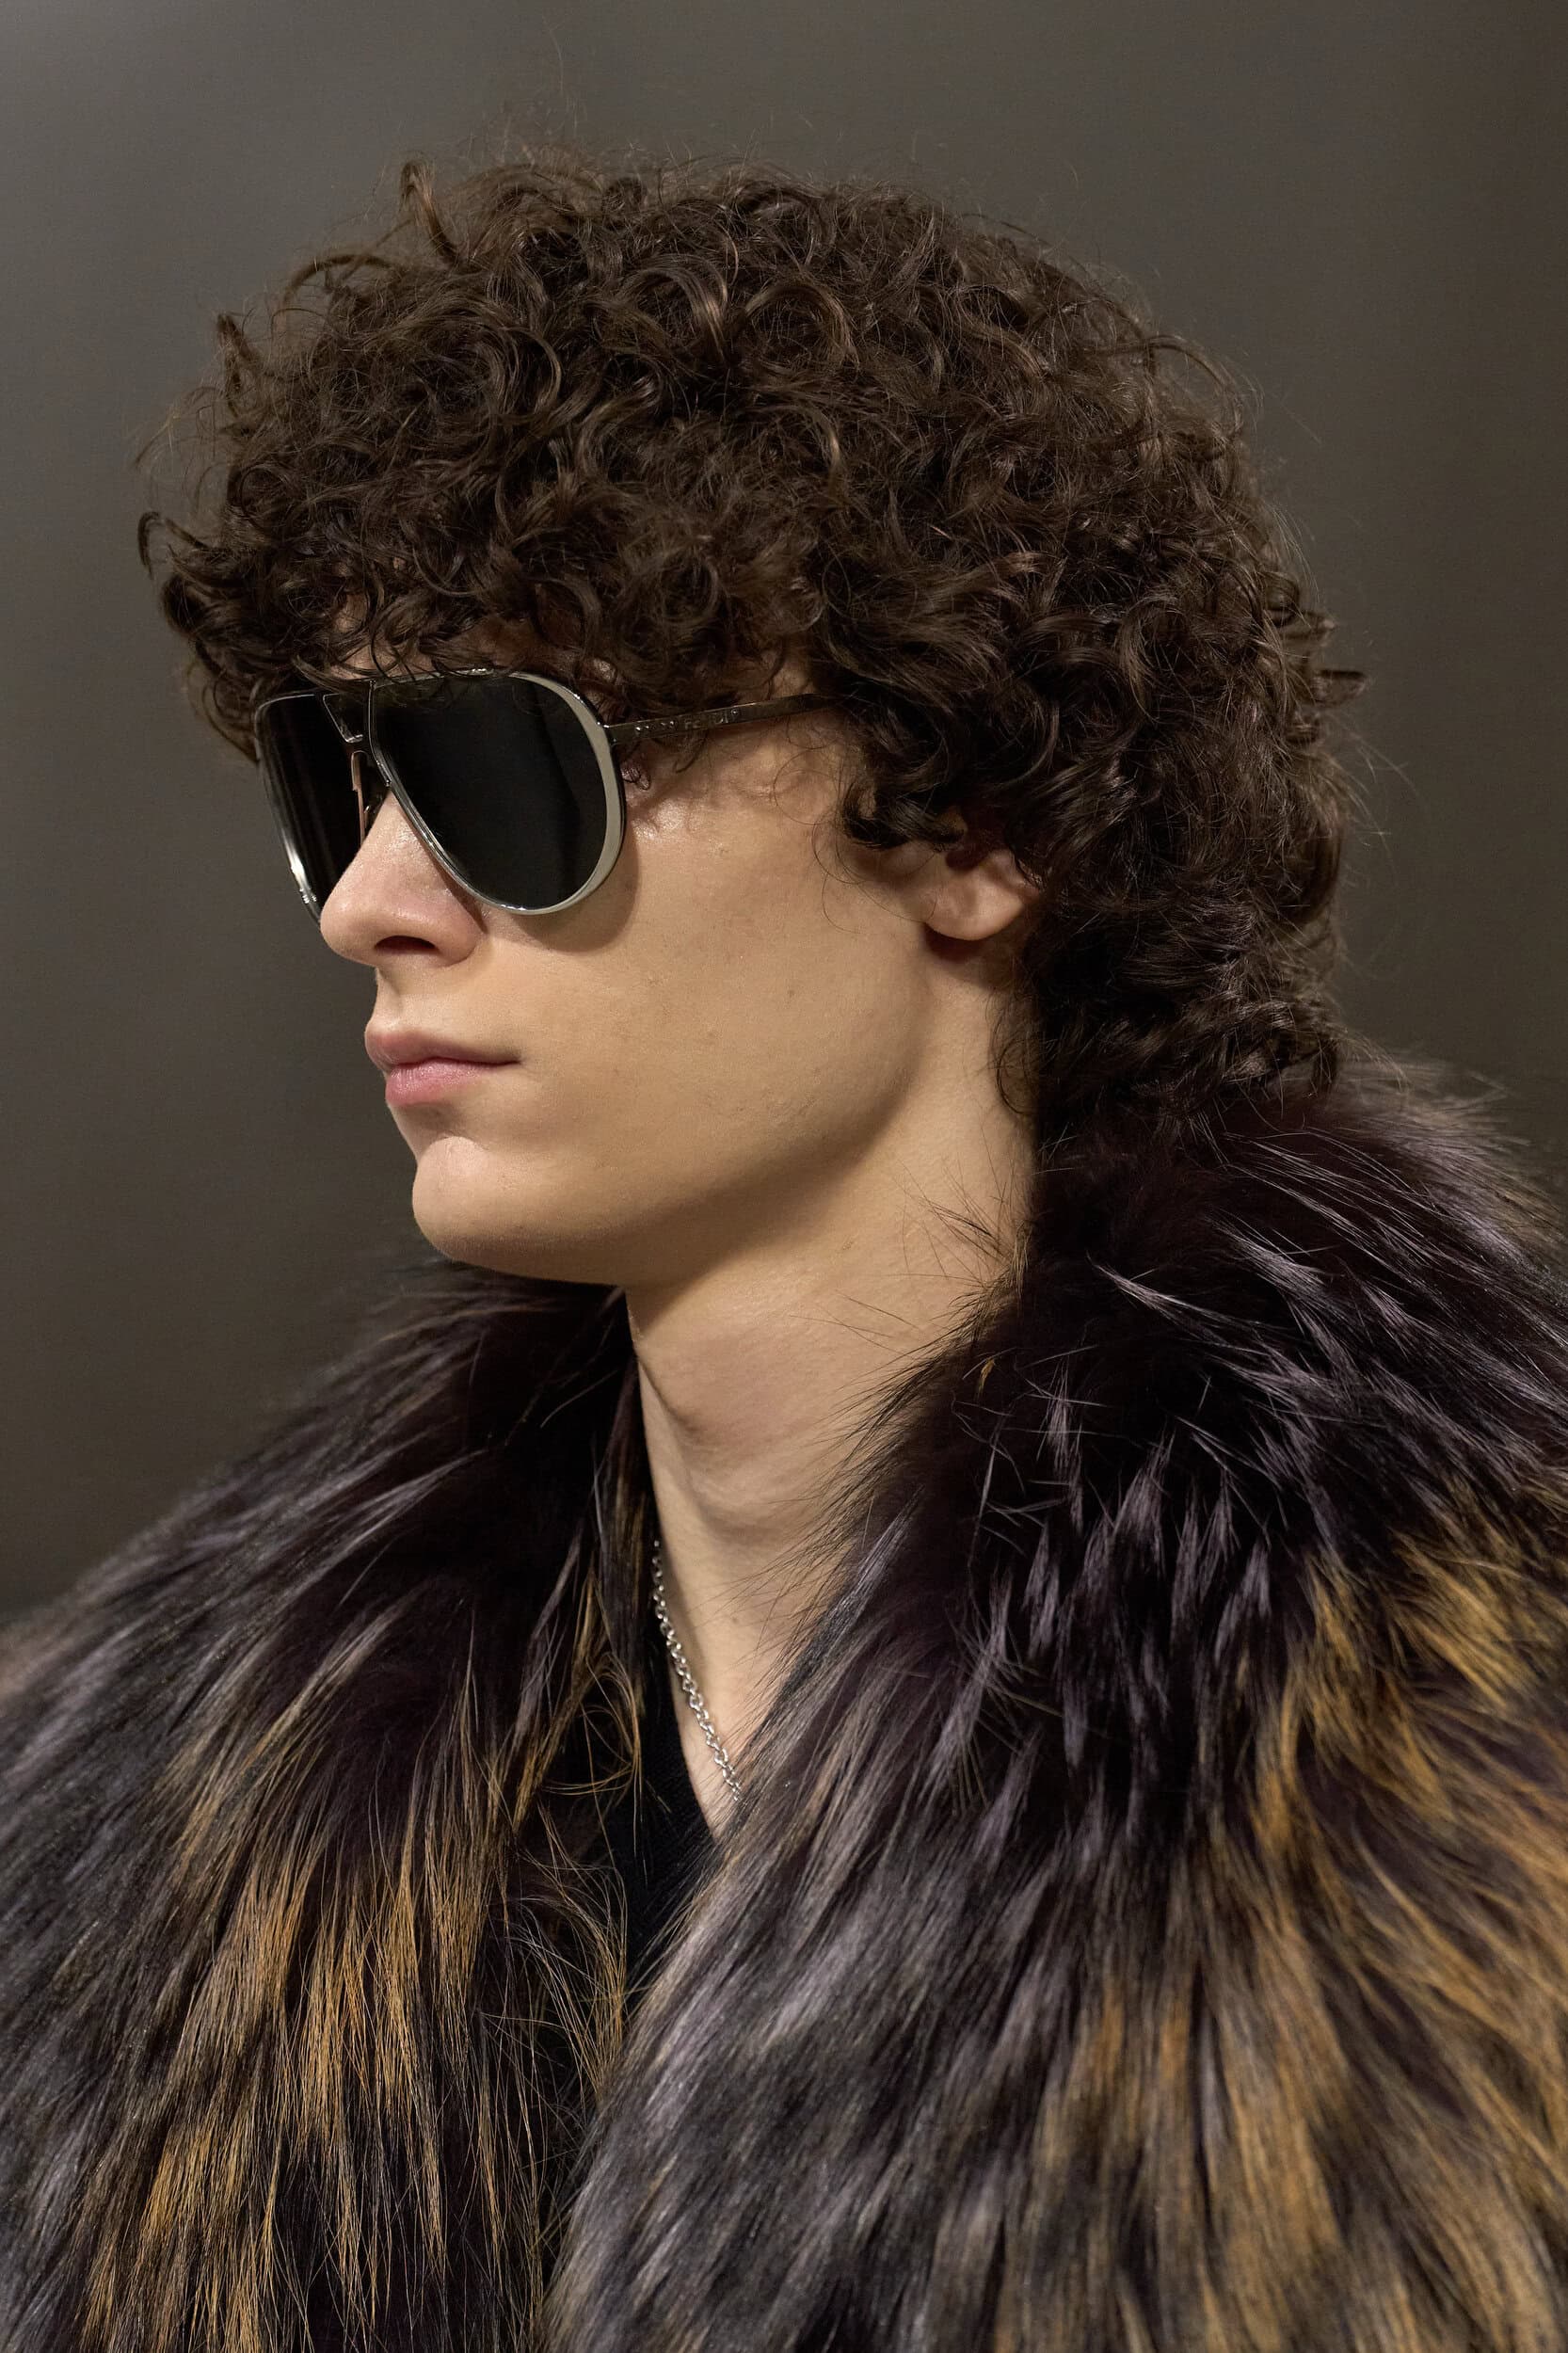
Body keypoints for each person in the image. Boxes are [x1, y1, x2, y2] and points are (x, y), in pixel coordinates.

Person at [3, 138, 1568, 2353]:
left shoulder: (1470, 1797)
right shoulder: (126, 1840)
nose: (369, 899)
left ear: (972, 822)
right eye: (336, 779)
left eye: (505, 767)